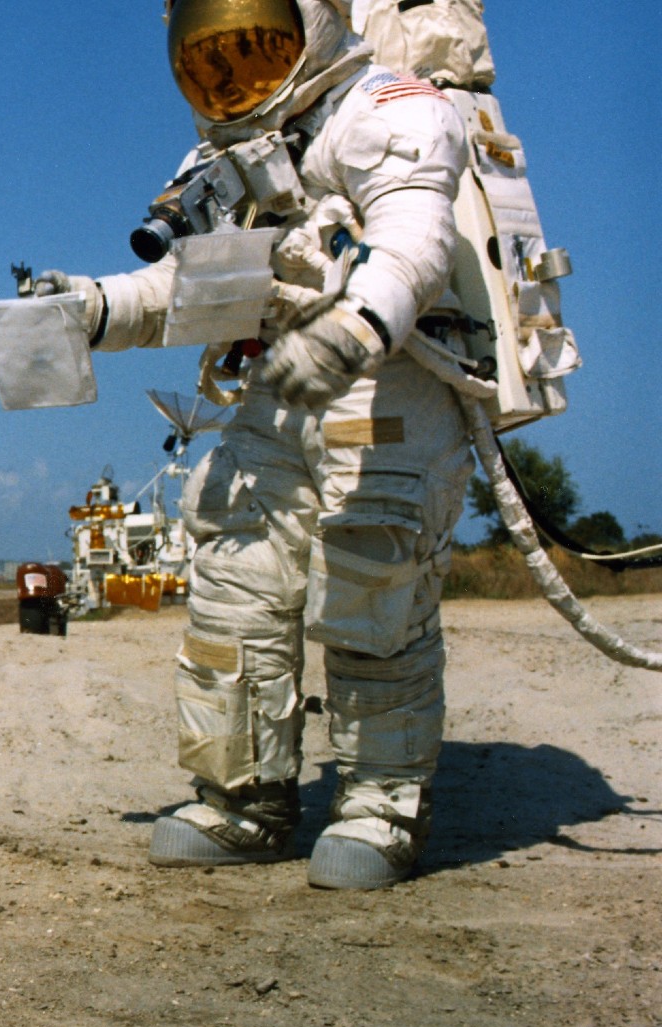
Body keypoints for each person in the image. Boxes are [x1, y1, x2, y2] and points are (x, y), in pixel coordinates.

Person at [33, 0, 471, 888]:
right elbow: (188, 288)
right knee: (236, 580)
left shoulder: (388, 108)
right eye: (211, 57)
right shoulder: (223, 159)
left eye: (254, 46)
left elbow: (415, 240)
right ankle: (245, 798)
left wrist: (354, 329)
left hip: (388, 375)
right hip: (278, 380)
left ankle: (382, 803)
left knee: (370, 587)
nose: (232, 72)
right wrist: (90, 307)